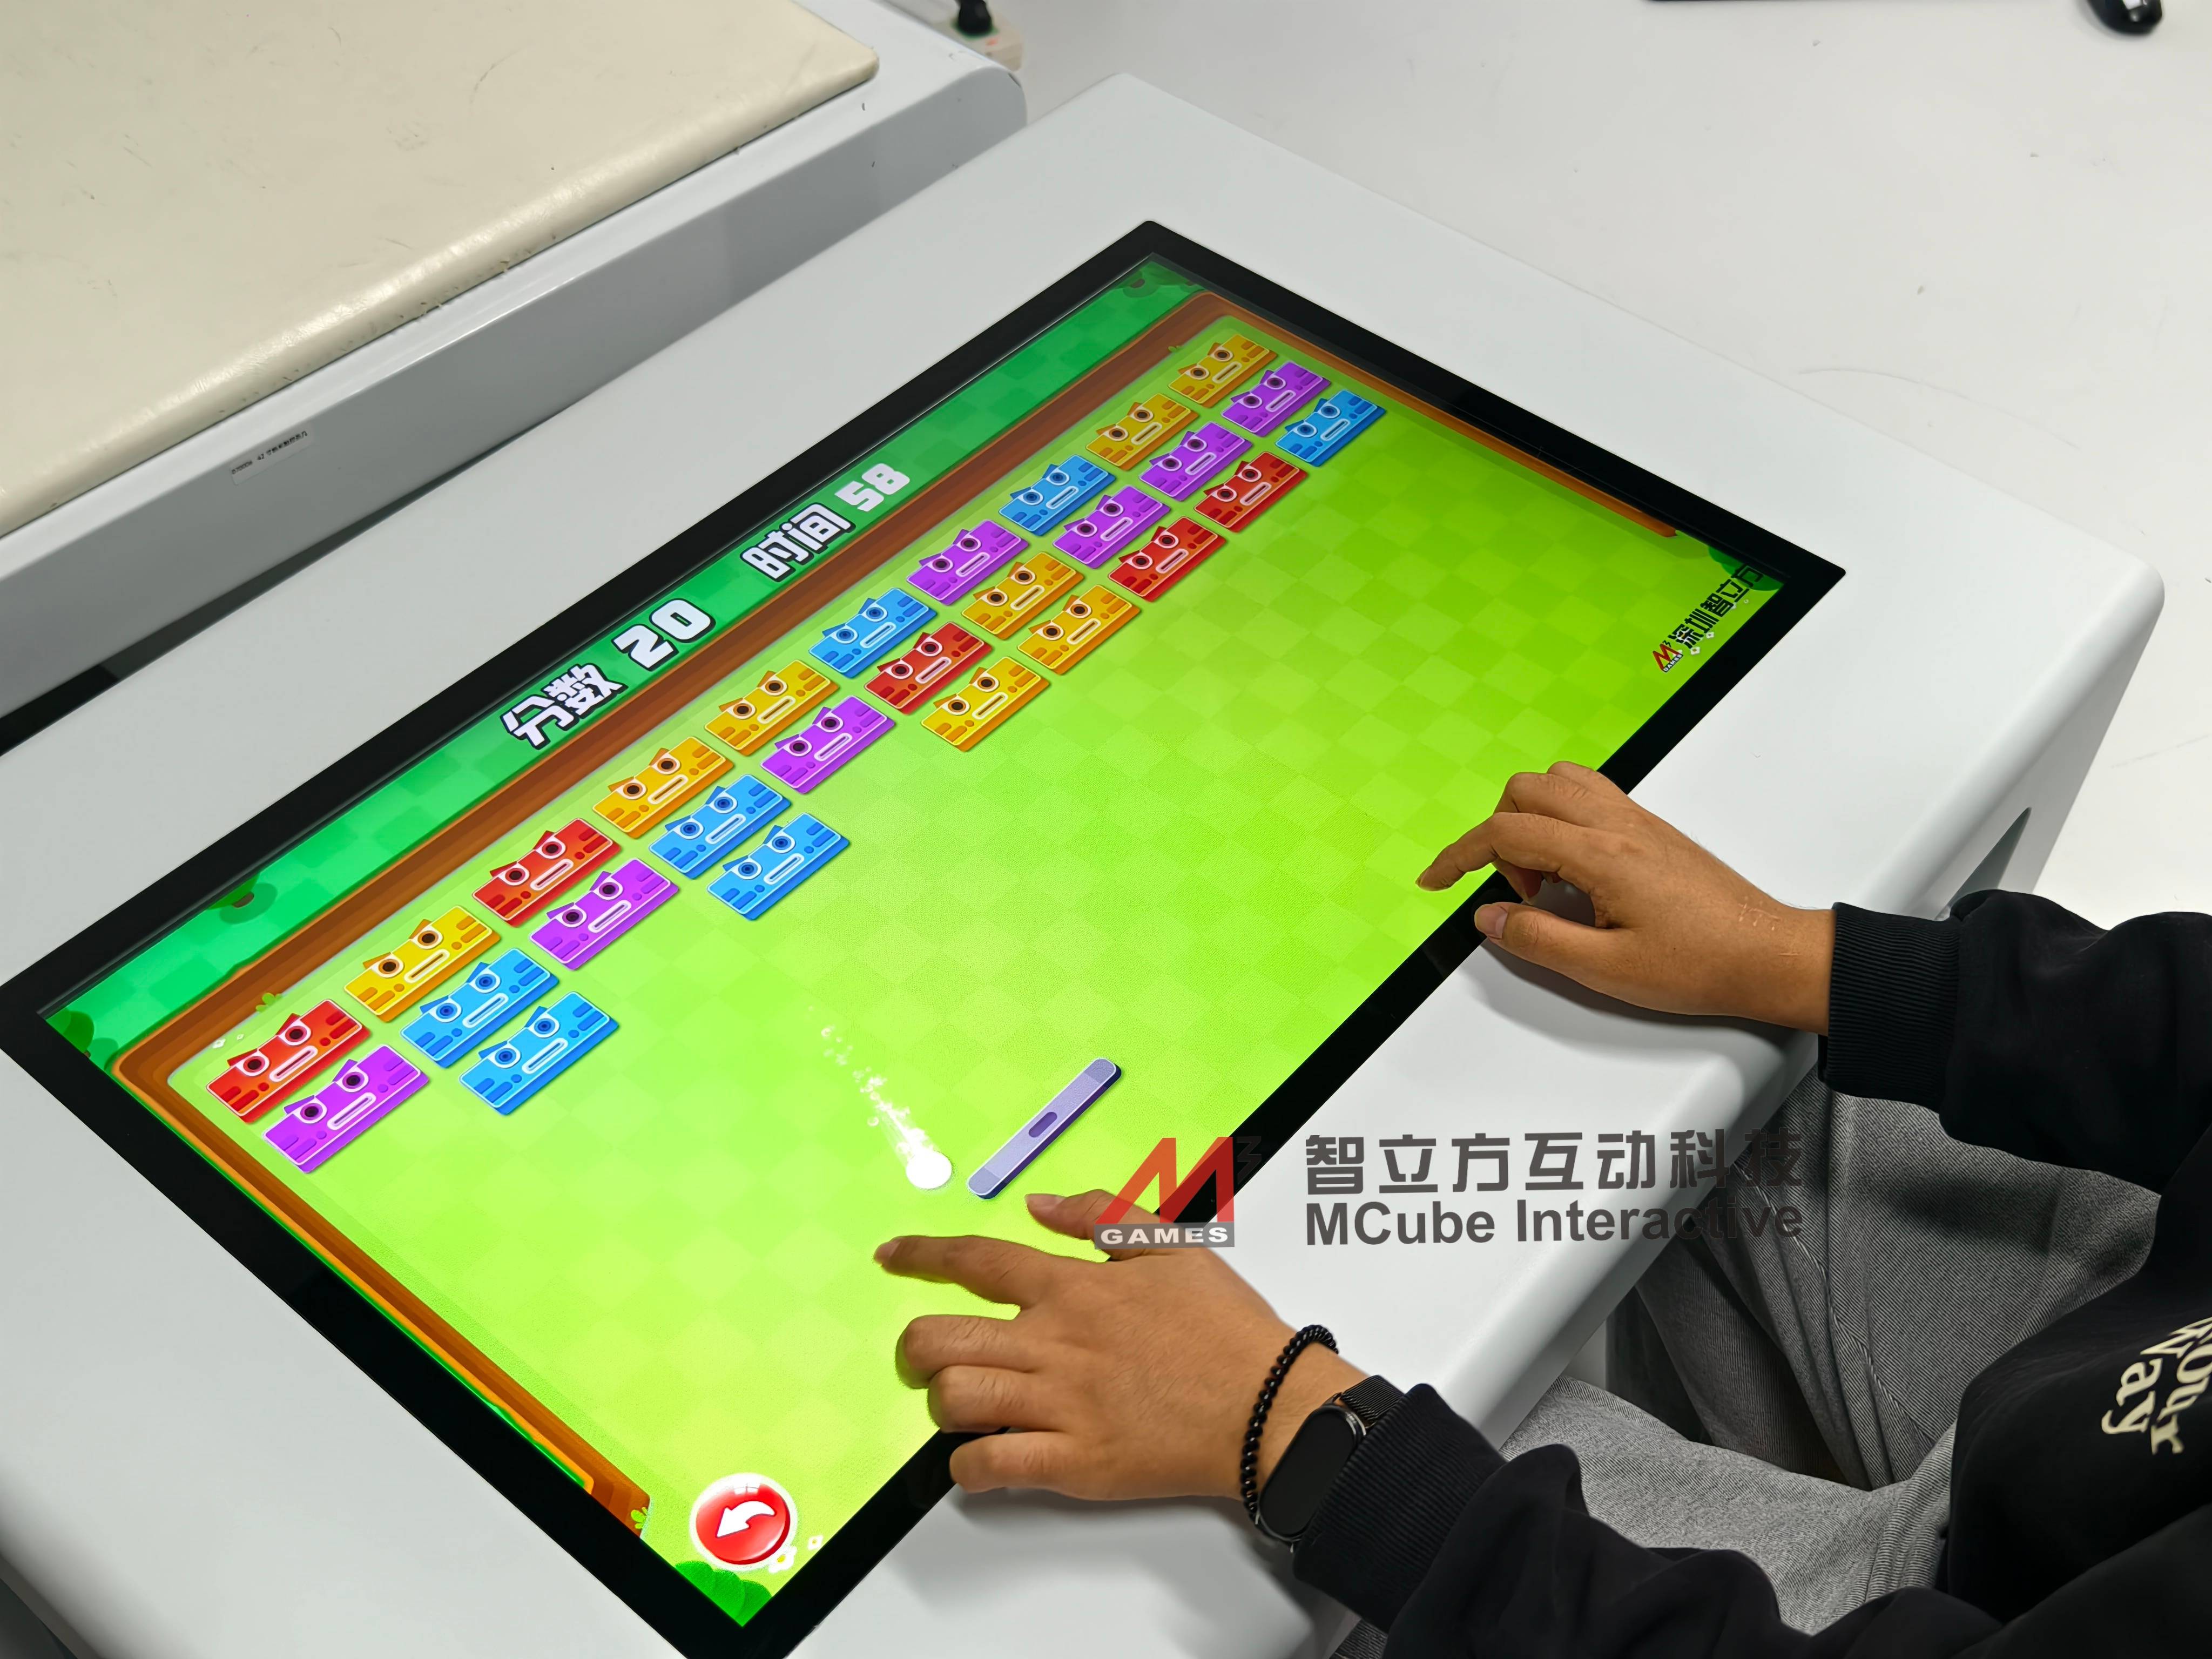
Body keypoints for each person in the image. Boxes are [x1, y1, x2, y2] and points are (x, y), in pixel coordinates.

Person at [875, 761, 2212, 1655]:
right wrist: (1797, 957)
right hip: (2128, 1364)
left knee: (1304, 1541)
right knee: (1702, 1092)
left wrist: (1296, 1431)